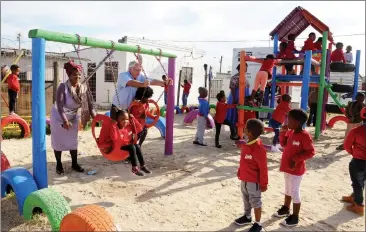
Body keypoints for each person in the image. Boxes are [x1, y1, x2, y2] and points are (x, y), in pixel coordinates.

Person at [51, 60, 96, 175]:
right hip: (59, 116)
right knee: (58, 141)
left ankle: (74, 163)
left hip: (73, 117)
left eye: (79, 74)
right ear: (69, 75)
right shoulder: (63, 87)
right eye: (74, 74)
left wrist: (95, 118)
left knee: (73, 141)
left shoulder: (83, 88)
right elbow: (60, 106)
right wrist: (65, 121)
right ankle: (59, 164)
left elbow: (90, 105)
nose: (77, 76)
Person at [273, 109, 315, 227]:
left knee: (294, 191)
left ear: (297, 122)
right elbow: (284, 144)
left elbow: (311, 152)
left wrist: (296, 159)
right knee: (287, 189)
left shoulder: (304, 136)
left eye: (289, 119)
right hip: (287, 167)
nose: (286, 121)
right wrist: (282, 133)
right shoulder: (290, 132)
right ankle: (286, 208)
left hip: (296, 169)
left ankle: (295, 216)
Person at [235, 119, 268, 232]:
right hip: (244, 179)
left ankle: (258, 224)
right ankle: (247, 217)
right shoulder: (247, 144)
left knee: (255, 201)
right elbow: (244, 161)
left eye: (245, 129)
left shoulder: (258, 149)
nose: (244, 130)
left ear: (249, 132)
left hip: (254, 181)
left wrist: (264, 183)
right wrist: (240, 171)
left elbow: (263, 168)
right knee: (246, 199)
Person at [341, 107, 366, 216]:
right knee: (362, 180)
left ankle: (359, 205)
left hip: (358, 160)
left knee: (357, 182)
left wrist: (354, 153)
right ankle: (355, 196)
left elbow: (347, 146)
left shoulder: (355, 131)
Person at [114, 109, 151, 176]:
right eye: (122, 119)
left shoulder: (129, 126)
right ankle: (134, 168)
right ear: (117, 120)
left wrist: (133, 119)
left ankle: (142, 166)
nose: (125, 121)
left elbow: (139, 128)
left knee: (137, 146)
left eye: (127, 119)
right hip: (119, 148)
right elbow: (114, 139)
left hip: (128, 146)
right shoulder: (116, 128)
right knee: (132, 147)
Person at [226, 63, 250, 140]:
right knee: (233, 116)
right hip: (235, 98)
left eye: (246, 68)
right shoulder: (235, 77)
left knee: (240, 116)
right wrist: (234, 99)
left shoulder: (245, 78)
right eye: (245, 68)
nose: (246, 69)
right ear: (240, 68)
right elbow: (232, 89)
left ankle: (239, 133)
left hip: (243, 99)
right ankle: (233, 133)